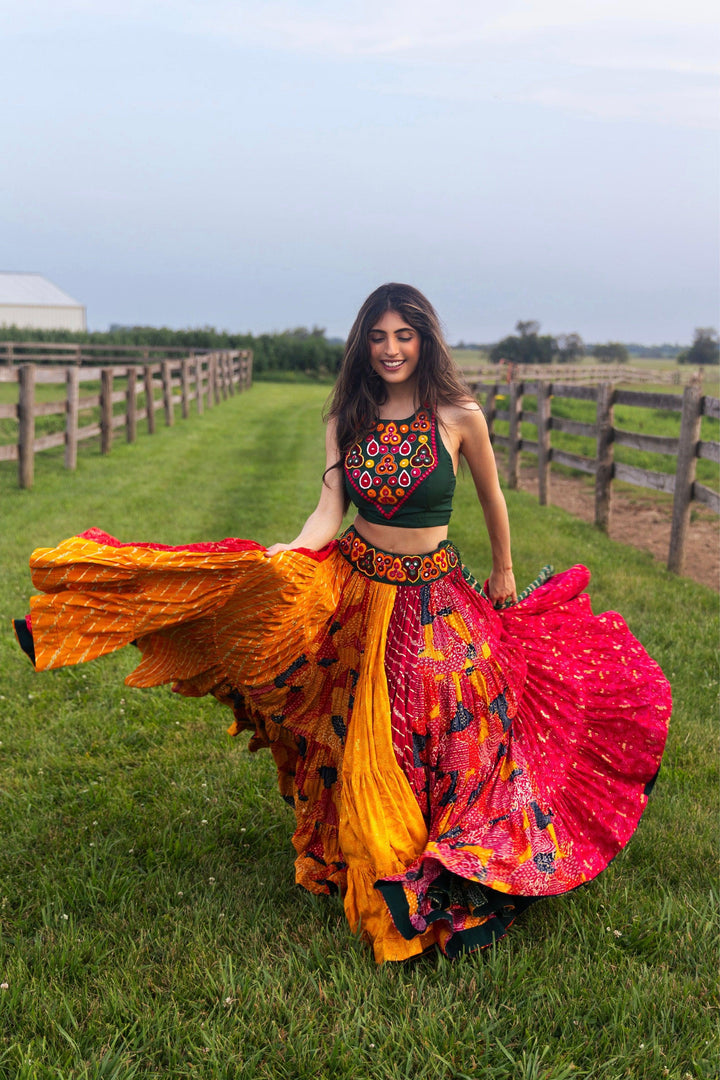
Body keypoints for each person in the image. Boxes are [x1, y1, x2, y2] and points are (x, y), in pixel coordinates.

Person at [15, 283, 671, 964]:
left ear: (425, 339)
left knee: (457, 719)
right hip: (360, 586)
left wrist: (504, 569)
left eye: (404, 336)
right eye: (379, 337)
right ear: (364, 343)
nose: (391, 350)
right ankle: (384, 846)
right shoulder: (347, 416)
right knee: (362, 719)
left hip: (437, 594)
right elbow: (329, 510)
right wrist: (290, 555)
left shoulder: (458, 414)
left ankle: (454, 855)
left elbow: (492, 496)